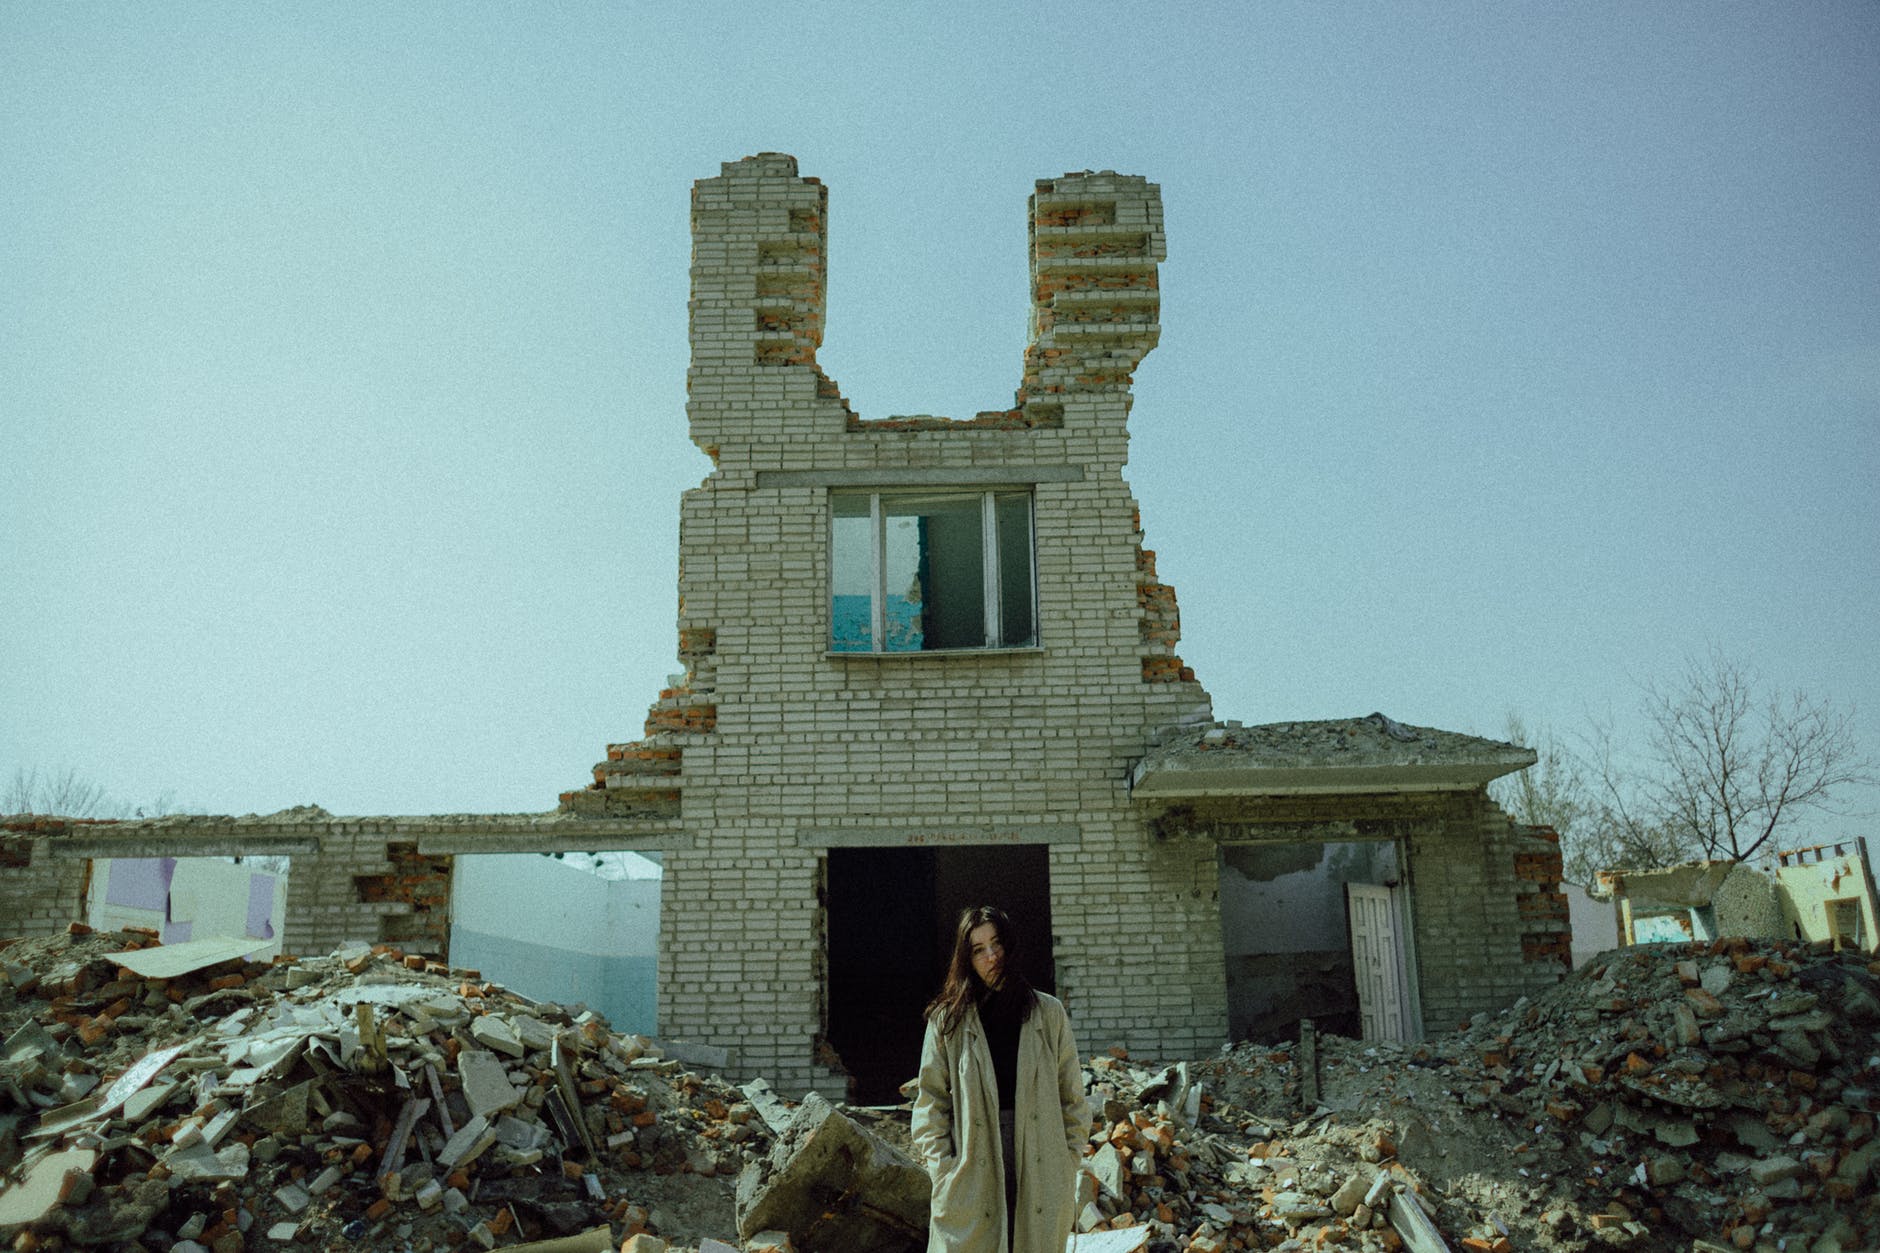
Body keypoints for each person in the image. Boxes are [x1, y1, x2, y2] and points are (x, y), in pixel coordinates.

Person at [911, 905, 1091, 1253]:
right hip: (973, 1157)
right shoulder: (947, 1021)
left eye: (996, 944)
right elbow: (930, 1101)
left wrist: (1066, 1163)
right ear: (967, 958)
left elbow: (1073, 1099)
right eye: (978, 950)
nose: (991, 956)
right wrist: (944, 1171)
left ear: (1009, 945)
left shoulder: (1048, 1013)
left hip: (1039, 1155)